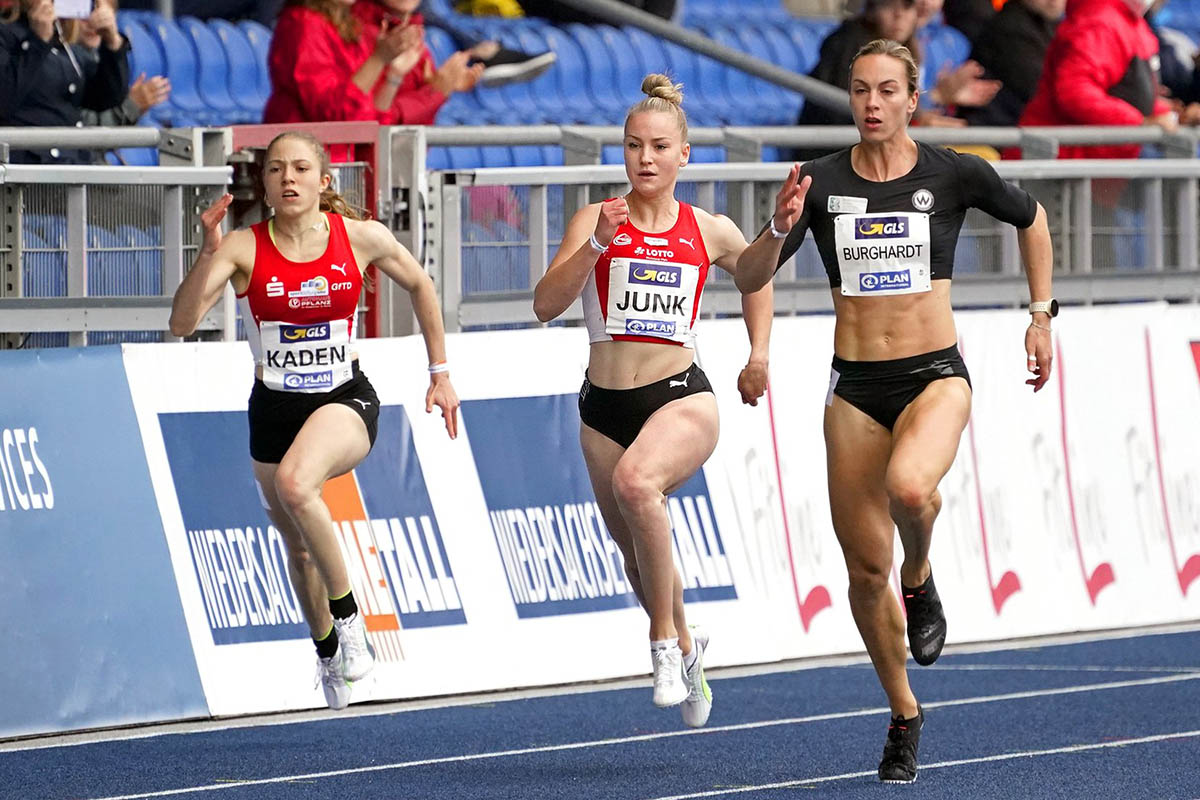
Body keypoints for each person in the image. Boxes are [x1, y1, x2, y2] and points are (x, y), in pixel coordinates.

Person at [736, 39, 1055, 782]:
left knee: (912, 488)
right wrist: (781, 227)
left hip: (935, 374)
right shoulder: (816, 182)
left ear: (913, 99)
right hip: (854, 388)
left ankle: (923, 574)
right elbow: (750, 275)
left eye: (886, 91)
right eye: (859, 91)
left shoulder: (954, 171)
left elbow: (1033, 220)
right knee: (862, 570)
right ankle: (904, 715)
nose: (872, 104)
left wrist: (1040, 315)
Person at [168, 130, 460, 710]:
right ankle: (327, 650)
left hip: (345, 398)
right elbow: (180, 323)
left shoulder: (359, 238)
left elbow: (422, 284)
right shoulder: (244, 248)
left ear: (325, 181)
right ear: (266, 185)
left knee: (297, 484)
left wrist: (441, 371)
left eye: (301, 167)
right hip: (274, 407)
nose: (288, 177)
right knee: (298, 547)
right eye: (276, 169)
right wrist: (206, 252)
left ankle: (353, 626)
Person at [532, 74, 775, 728]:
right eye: (635, 146)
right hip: (603, 408)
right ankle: (691, 648)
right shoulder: (594, 220)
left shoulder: (707, 228)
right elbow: (545, 306)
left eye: (659, 146)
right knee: (634, 553)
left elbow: (755, 274)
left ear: (683, 155)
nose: (645, 158)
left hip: (680, 396)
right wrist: (596, 247)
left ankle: (662, 646)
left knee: (640, 486)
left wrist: (758, 352)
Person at [1019, 0, 1176, 159]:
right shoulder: (1098, 22)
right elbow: (1075, 93)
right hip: (1063, 160)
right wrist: (1140, 122)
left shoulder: (1132, 22)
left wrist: (1172, 116)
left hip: (1103, 159)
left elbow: (1137, 92)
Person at [0, 0, 130, 163]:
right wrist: (37, 42)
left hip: (73, 165)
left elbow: (104, 97)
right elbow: (4, 100)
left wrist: (113, 43)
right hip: (28, 172)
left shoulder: (61, 41)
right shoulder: (6, 33)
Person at [958, 0, 1064, 127]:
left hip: (1018, 131)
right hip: (994, 132)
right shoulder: (1010, 28)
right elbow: (1040, 89)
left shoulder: (1050, 24)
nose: (1055, 1)